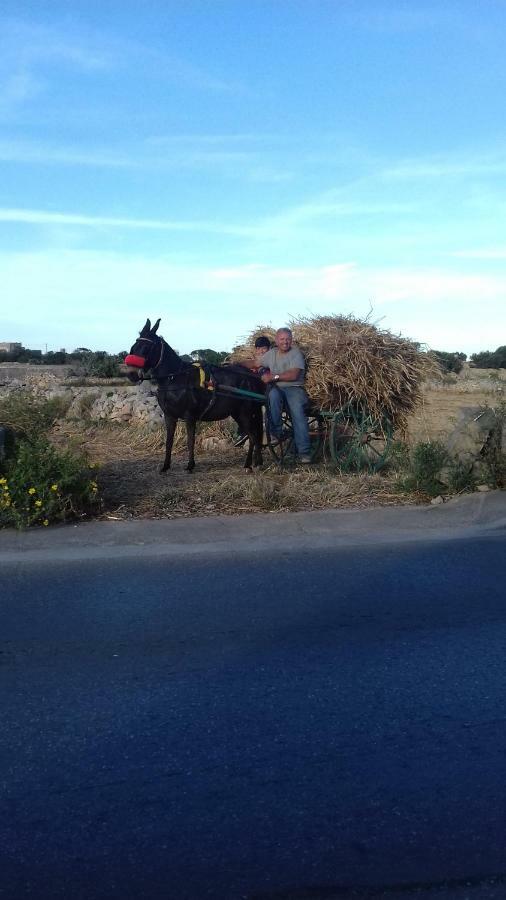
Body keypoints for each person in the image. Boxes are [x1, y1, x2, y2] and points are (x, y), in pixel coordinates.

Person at [247, 328, 312, 464]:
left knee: (297, 413)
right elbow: (255, 363)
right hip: (277, 388)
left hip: (294, 388)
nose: (285, 342)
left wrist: (273, 377)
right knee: (273, 396)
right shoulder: (271, 354)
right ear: (276, 341)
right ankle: (276, 432)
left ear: (291, 340)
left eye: (287, 339)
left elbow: (294, 375)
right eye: (282, 339)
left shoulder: (296, 354)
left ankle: (304, 452)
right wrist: (236, 364)